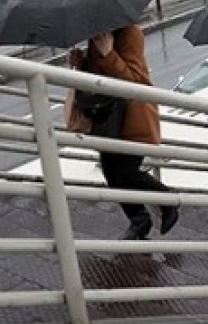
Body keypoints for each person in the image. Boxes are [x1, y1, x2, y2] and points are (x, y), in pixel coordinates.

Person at [67, 26, 178, 241]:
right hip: (108, 118)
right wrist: (80, 63)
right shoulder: (98, 33)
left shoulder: (130, 33)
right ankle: (139, 220)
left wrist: (109, 53)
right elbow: (98, 76)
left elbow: (135, 82)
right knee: (111, 173)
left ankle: (167, 200)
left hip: (132, 116)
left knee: (126, 172)